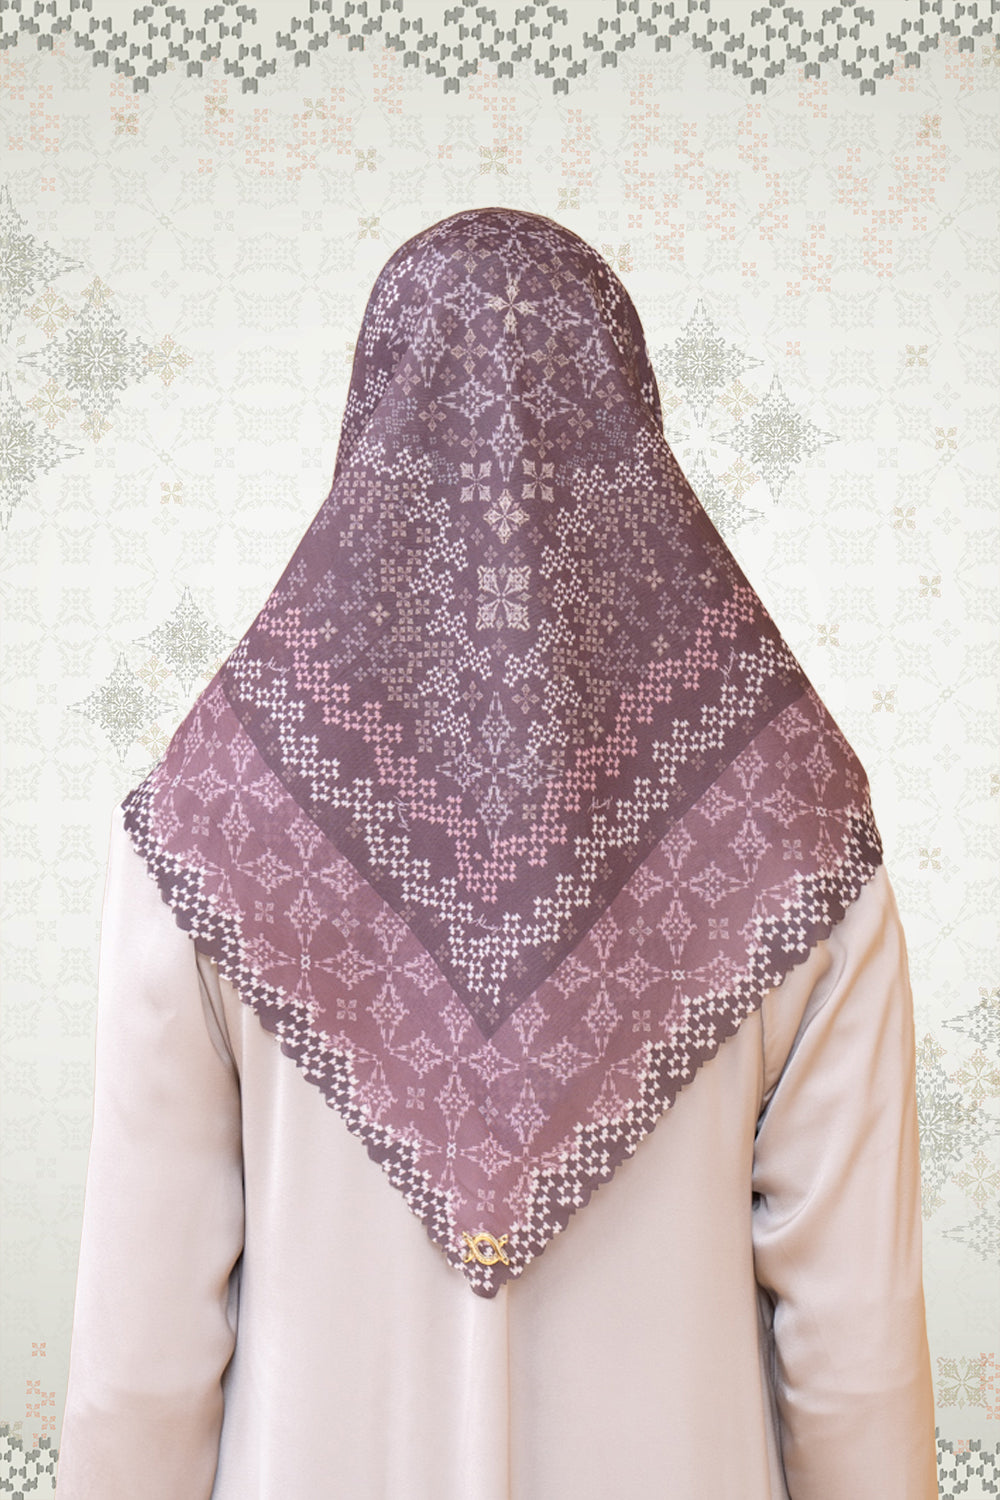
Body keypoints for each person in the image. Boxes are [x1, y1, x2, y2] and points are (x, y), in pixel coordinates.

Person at [55, 207, 938, 1498]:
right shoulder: (793, 838)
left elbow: (140, 1371)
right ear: (635, 444)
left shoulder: (213, 831)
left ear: (370, 435)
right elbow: (853, 1355)